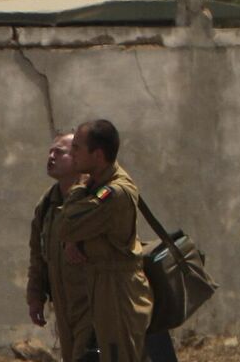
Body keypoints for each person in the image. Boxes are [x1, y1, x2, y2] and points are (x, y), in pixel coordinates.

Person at [55, 120, 155, 362]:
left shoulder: (114, 193)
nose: (72, 153)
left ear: (98, 155)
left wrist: (80, 187)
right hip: (101, 283)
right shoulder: (98, 184)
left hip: (117, 289)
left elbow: (66, 224)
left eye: (77, 148)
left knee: (119, 355)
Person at [27, 131, 90, 361]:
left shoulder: (95, 198)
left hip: (94, 303)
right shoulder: (47, 206)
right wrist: (35, 296)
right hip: (64, 307)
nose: (51, 157)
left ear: (78, 158)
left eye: (59, 152)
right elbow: (37, 254)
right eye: (50, 151)